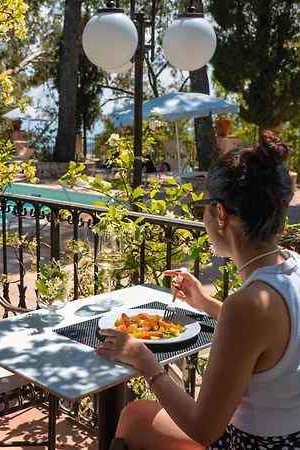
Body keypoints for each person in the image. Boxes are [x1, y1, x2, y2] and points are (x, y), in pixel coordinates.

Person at [97, 130, 299, 449]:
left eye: (199, 209)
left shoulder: (248, 305)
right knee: (136, 415)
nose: (200, 219)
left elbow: (202, 428)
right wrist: (205, 303)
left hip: (251, 443)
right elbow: (270, 335)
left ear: (220, 214)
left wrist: (143, 360)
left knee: (134, 417)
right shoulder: (292, 267)